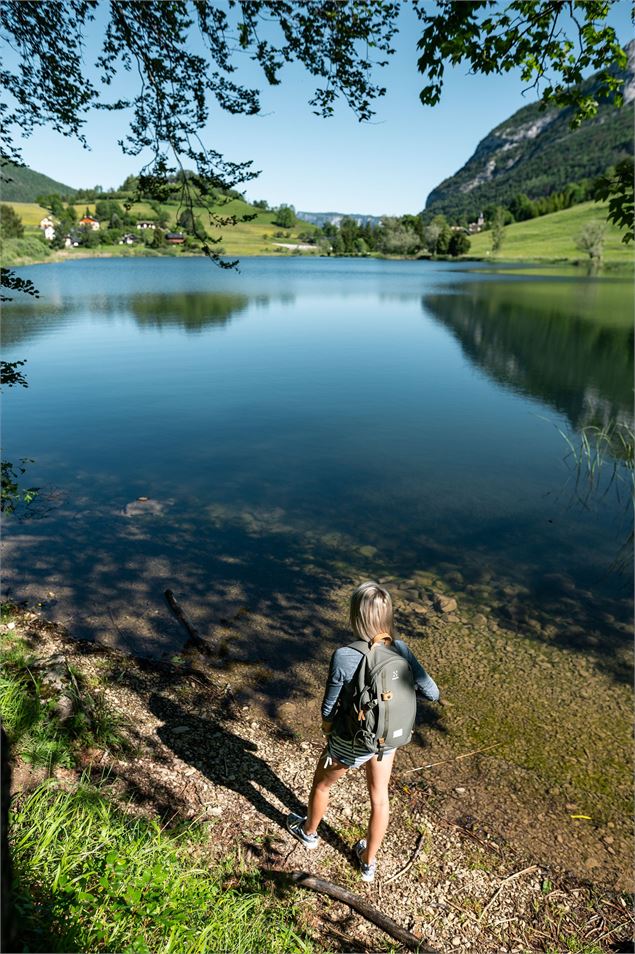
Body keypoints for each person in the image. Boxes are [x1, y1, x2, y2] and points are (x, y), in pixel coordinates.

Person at [287, 580, 439, 882]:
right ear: (387, 615)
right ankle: (368, 863)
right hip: (387, 738)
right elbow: (432, 693)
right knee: (380, 798)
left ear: (356, 615)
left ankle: (309, 832)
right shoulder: (402, 650)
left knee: (322, 785)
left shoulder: (344, 655)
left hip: (351, 740)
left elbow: (328, 707)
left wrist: (328, 729)